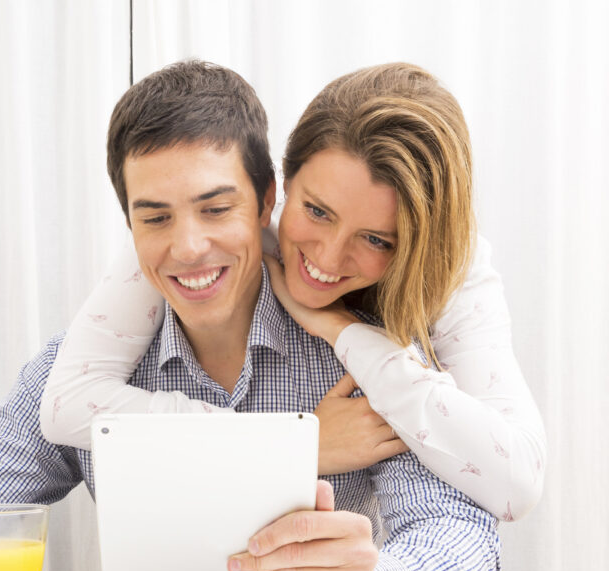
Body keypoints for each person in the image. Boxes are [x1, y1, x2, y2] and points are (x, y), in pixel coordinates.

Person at [0, 60, 500, 571]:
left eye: (216, 208)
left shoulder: (367, 359)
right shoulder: (84, 374)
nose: (188, 248)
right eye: (155, 218)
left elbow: (465, 545)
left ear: (267, 201)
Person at [40, 62, 546, 522]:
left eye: (376, 239)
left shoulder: (455, 275)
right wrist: (295, 444)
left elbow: (515, 484)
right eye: (317, 211)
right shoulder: (200, 231)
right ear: (280, 189)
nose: (325, 258)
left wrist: (346, 333)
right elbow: (68, 405)